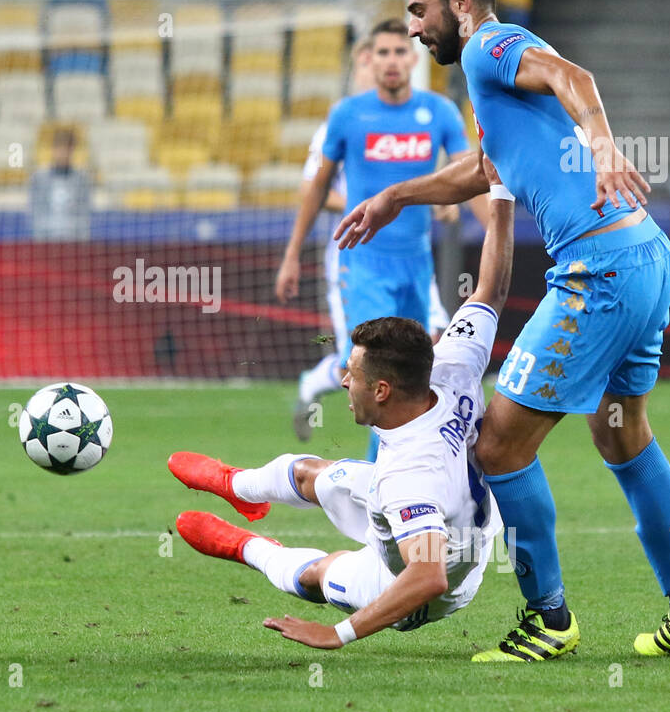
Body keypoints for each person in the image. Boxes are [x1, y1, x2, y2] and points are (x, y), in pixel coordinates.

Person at [338, 0, 670, 661]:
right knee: (621, 433)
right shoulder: (491, 86)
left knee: (498, 444)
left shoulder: (489, 44)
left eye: (419, 11)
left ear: (459, 3)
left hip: (599, 269)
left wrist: (604, 143)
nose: (415, 29)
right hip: (644, 257)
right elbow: (482, 172)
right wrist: (397, 192)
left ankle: (549, 619)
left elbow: (571, 75)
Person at [169, 163, 515, 649]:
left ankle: (250, 548)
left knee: (317, 572)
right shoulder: (452, 365)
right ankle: (237, 486)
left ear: (382, 392)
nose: (344, 379)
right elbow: (491, 290)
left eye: (353, 375)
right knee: (316, 474)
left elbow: (430, 576)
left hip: (415, 585)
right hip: (444, 512)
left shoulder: (408, 478)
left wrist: (337, 633)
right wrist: (501, 194)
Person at [277, 19, 469, 462]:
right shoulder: (346, 115)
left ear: (414, 58)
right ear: (368, 59)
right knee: (370, 366)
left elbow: (464, 172)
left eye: (400, 52)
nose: (391, 62)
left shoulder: (436, 112)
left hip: (416, 262)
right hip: (359, 259)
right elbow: (316, 187)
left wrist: (448, 200)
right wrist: (292, 254)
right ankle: (377, 475)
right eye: (381, 54)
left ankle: (402, 467)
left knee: (418, 363)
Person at [29, 127, 92, 241]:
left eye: (67, 149)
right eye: (59, 149)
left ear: (72, 151)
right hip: (47, 240)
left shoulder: (82, 179)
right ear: (53, 150)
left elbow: (85, 214)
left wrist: (82, 240)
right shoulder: (39, 178)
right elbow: (35, 214)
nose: (63, 154)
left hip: (74, 241)